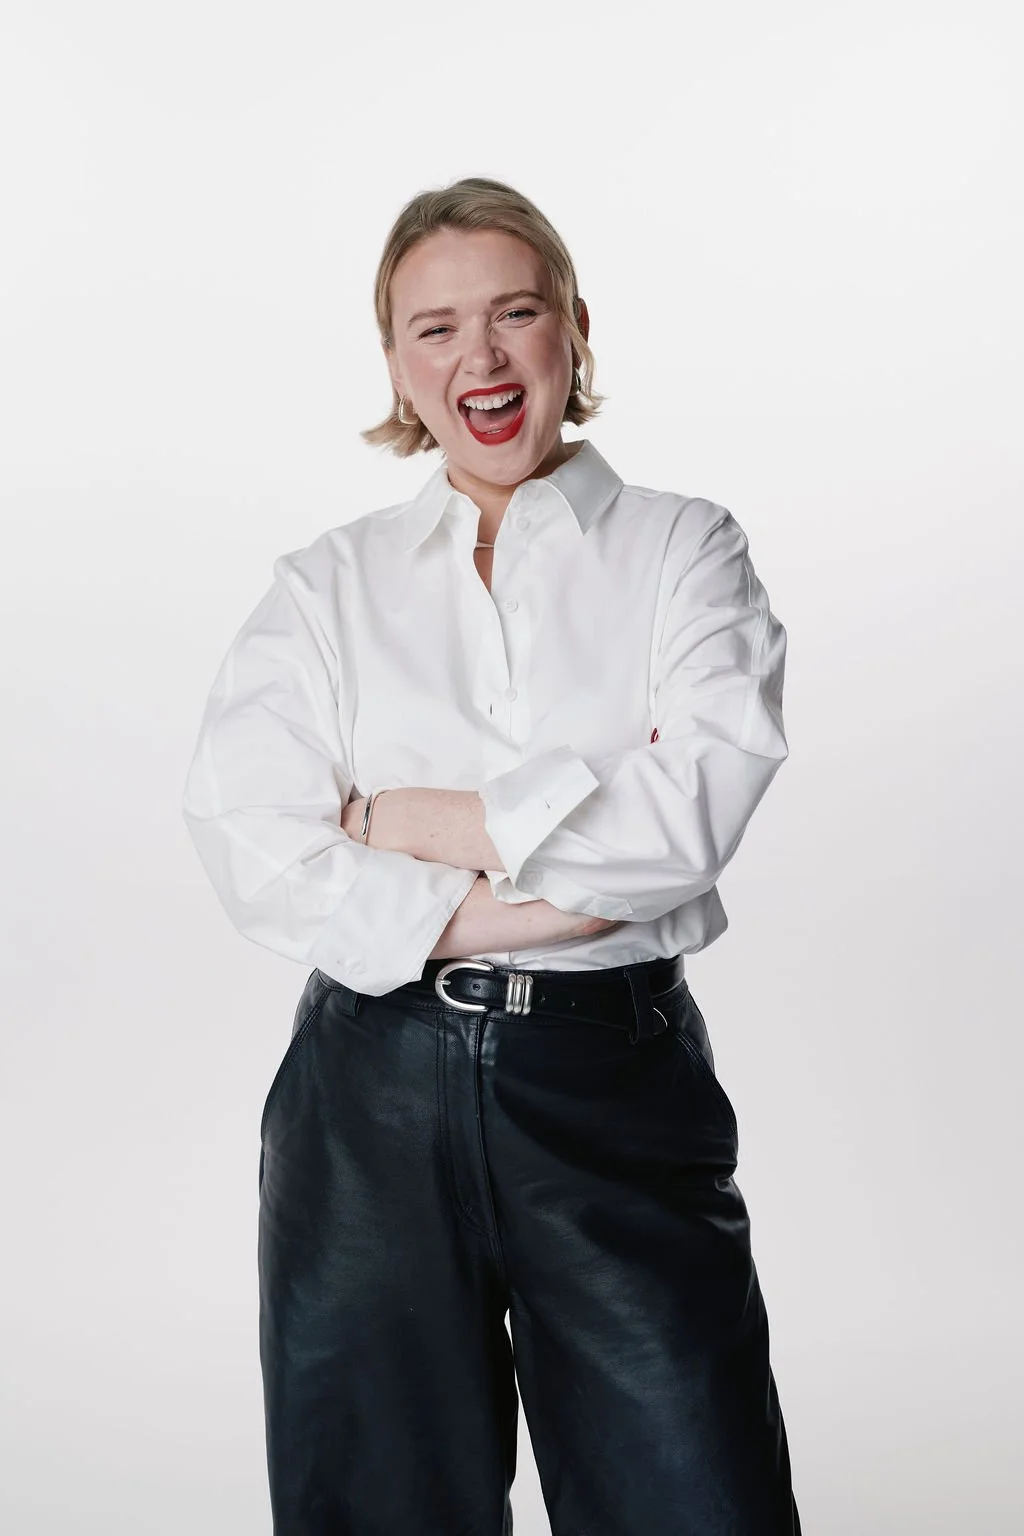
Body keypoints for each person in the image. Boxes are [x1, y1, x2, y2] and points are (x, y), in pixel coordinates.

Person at [182, 175, 801, 1535]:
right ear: (396, 363)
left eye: (516, 312)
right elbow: (251, 840)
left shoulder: (684, 551)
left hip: (612, 1083)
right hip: (366, 1096)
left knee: (696, 1498)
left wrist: (403, 821)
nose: (483, 356)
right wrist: (536, 901)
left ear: (573, 326)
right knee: (378, 1510)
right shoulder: (326, 587)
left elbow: (688, 818)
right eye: (437, 327)